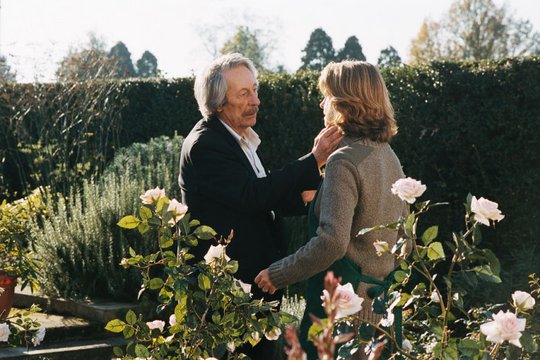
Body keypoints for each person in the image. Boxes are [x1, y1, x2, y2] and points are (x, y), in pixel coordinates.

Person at [178, 53, 343, 359]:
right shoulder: (206, 144)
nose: (256, 101)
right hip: (226, 295)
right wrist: (313, 160)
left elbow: (258, 202)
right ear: (217, 103)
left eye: (255, 90)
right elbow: (251, 194)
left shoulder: (241, 139)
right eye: (244, 93)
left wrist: (301, 198)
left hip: (255, 287)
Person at [255, 60, 407, 359]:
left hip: (344, 318)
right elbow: (406, 240)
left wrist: (278, 274)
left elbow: (332, 241)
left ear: (343, 104)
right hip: (383, 313)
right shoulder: (388, 156)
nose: (321, 104)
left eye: (326, 96)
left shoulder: (344, 160)